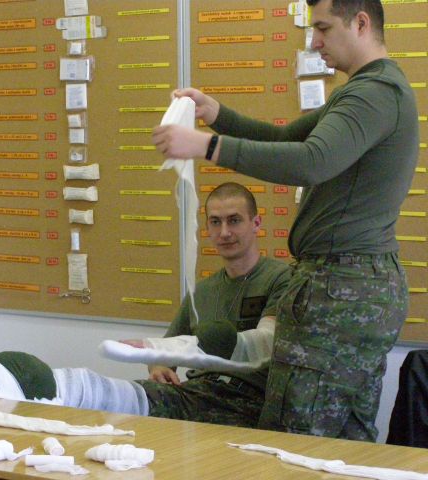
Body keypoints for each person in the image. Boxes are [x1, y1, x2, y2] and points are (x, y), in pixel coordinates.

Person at [151, 0, 418, 441]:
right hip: (353, 283)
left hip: (341, 286)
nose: (315, 42)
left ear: (361, 23)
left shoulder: (374, 93)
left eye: (324, 28)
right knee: (342, 441)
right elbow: (285, 138)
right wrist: (216, 115)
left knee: (293, 438)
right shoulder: (368, 90)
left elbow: (311, 161)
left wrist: (206, 147)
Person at [0, 183, 291, 428]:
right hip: (198, 395)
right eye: (216, 222)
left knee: (110, 401)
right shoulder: (203, 292)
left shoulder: (281, 279)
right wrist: (158, 363)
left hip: (246, 402)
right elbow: (165, 352)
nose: (224, 232)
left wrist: (192, 347)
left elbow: (265, 343)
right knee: (109, 399)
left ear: (256, 223)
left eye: (234, 221)